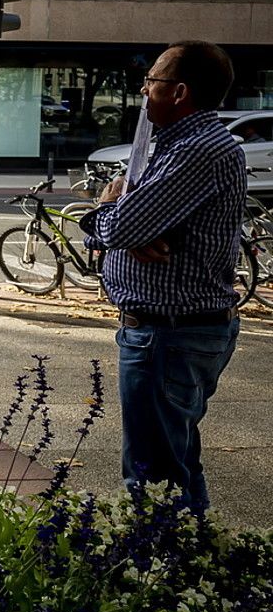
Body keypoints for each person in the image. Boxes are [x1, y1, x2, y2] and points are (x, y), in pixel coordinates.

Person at [79, 41, 244, 512]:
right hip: (170, 331)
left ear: (180, 92)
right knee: (177, 459)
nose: (145, 89)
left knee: (155, 473)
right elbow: (131, 226)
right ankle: (192, 565)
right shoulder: (173, 146)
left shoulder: (195, 150)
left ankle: (163, 568)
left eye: (153, 80)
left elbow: (125, 221)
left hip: (169, 334)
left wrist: (109, 213)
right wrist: (121, 226)